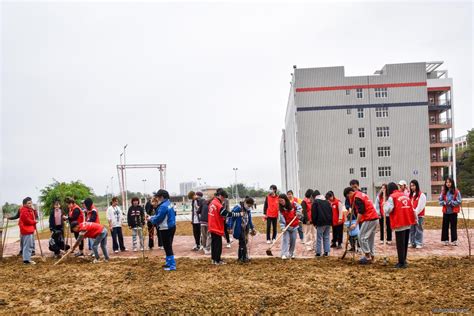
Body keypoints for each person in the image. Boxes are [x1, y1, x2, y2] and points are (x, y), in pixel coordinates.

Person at [384, 182, 417, 269]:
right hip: (407, 221)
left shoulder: (392, 197)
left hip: (399, 222)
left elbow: (388, 210)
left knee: (400, 244)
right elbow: (412, 208)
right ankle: (404, 260)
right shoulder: (404, 195)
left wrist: (385, 204)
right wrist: (415, 218)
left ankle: (401, 263)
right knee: (405, 243)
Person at [343, 187, 379, 264]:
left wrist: (355, 224)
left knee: (361, 237)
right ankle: (372, 257)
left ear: (350, 193)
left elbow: (361, 211)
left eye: (347, 196)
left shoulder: (357, 198)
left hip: (369, 218)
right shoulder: (360, 195)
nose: (348, 198)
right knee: (370, 239)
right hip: (374, 218)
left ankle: (367, 256)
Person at [208, 188, 241, 265]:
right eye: (223, 197)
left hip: (212, 226)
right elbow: (227, 214)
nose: (224, 199)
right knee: (218, 245)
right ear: (219, 196)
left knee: (214, 244)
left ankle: (214, 259)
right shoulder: (218, 204)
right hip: (216, 227)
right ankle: (217, 260)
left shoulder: (212, 202)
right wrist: (239, 214)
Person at [147, 189, 177, 271]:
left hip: (165, 228)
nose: (158, 198)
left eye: (159, 197)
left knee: (167, 247)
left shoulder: (163, 206)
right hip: (171, 226)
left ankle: (172, 265)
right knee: (168, 246)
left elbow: (159, 218)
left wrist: (150, 219)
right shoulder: (169, 203)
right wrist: (153, 218)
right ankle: (169, 263)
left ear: (162, 197)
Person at [228, 197, 256, 263]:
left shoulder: (248, 210)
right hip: (238, 227)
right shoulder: (238, 208)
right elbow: (231, 217)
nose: (249, 207)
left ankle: (241, 257)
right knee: (243, 241)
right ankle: (243, 257)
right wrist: (230, 227)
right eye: (249, 206)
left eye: (250, 206)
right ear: (245, 203)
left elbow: (249, 219)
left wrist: (252, 228)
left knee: (244, 242)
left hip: (245, 228)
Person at [439, 177, 462, 246]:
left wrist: (452, 202)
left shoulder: (456, 191)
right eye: (447, 182)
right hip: (446, 212)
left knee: (453, 226)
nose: (448, 184)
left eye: (449, 182)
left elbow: (459, 201)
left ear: (452, 183)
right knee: (445, 226)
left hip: (453, 212)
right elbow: (440, 201)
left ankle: (454, 240)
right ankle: (445, 240)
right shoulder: (443, 192)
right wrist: (444, 202)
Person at [278, 193, 302, 259]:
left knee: (293, 241)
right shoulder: (281, 210)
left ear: (285, 199)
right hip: (286, 227)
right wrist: (283, 228)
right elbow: (281, 221)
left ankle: (291, 253)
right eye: (279, 201)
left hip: (294, 226)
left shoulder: (293, 204)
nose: (281, 202)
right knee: (285, 240)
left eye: (282, 200)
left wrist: (298, 212)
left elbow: (299, 207)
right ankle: (284, 254)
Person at [312, 190, 332, 257]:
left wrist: (314, 223)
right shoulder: (327, 202)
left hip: (320, 222)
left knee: (319, 238)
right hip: (328, 222)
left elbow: (314, 214)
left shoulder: (316, 202)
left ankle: (318, 253)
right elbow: (331, 212)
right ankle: (326, 252)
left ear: (314, 196)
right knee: (326, 237)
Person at [19, 197, 37, 264]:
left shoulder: (29, 209)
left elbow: (34, 216)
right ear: (24, 204)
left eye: (31, 203)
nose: (30, 204)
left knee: (29, 245)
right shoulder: (24, 210)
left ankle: (27, 259)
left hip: (29, 229)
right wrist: (34, 222)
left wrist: (34, 210)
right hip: (26, 230)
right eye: (29, 203)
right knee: (27, 245)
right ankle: (26, 260)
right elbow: (26, 220)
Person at [409, 180, 426, 249]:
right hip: (412, 215)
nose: (412, 187)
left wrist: (415, 212)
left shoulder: (421, 195)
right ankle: (412, 242)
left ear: (417, 186)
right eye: (411, 186)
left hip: (419, 215)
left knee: (419, 229)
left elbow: (421, 206)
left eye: (413, 185)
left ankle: (419, 242)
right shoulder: (410, 195)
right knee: (411, 229)